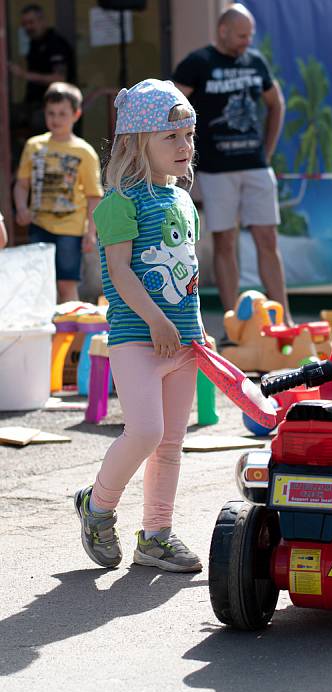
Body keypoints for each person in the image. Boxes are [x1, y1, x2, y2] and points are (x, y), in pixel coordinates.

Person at [74, 78, 209, 573]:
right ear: (136, 142)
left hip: (181, 343)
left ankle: (156, 536)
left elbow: (188, 271)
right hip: (136, 337)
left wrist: (196, 331)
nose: (184, 146)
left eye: (188, 135)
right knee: (146, 432)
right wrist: (154, 319)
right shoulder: (118, 203)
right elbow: (120, 274)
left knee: (171, 443)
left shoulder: (182, 202)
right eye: (170, 137)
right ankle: (98, 506)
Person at [172, 3, 293, 326]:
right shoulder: (197, 63)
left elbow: (276, 102)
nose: (246, 42)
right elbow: (171, 109)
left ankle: (285, 320)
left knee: (268, 239)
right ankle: (233, 324)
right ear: (222, 31)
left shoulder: (255, 61)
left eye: (250, 35)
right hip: (216, 169)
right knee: (225, 242)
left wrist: (266, 151)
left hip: (255, 165)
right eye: (241, 35)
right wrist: (184, 153)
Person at [13, 82, 102, 303]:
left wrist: (91, 232)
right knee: (39, 284)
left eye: (63, 113)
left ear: (76, 114)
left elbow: (94, 196)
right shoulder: (34, 146)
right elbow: (22, 184)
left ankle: (70, 333)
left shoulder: (84, 152)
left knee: (66, 285)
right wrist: (22, 207)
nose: (56, 118)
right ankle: (47, 334)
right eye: (51, 113)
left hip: (70, 230)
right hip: (39, 225)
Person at [9, 4, 76, 136]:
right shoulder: (34, 43)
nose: (28, 27)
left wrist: (24, 74)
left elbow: (60, 78)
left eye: (31, 22)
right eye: (24, 24)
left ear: (42, 21)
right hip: (34, 105)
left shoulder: (55, 43)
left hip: (54, 107)